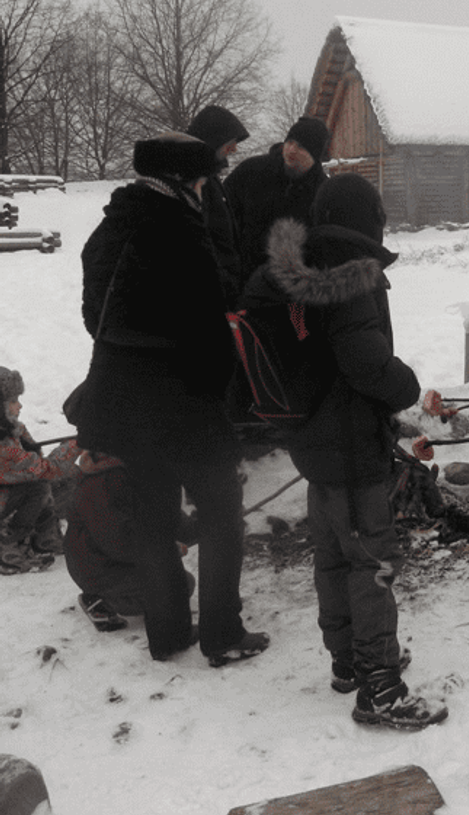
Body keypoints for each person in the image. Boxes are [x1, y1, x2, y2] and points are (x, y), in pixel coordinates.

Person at [239, 172, 446, 730]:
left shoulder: (295, 269)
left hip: (310, 438)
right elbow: (365, 362)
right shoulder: (352, 274)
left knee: (332, 554)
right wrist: (405, 386)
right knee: (372, 562)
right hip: (352, 443)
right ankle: (379, 685)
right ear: (368, 220)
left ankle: (348, 661)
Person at [70, 131, 268, 665]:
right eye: (203, 180)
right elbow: (210, 323)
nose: (207, 189)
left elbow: (96, 317)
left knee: (154, 519)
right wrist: (217, 386)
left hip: (125, 401)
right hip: (185, 403)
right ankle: (222, 634)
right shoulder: (180, 230)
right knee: (223, 515)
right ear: (184, 181)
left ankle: (167, 633)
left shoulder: (110, 227)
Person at [63, 450, 197, 632]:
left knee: (177, 580)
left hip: (113, 558)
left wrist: (205, 525)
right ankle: (101, 601)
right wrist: (165, 549)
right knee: (179, 586)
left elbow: (165, 515)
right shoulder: (103, 483)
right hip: (99, 567)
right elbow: (118, 542)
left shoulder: (131, 471)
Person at [223, 115, 329, 291]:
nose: (291, 150)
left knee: (296, 320)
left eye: (301, 146)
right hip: (242, 281)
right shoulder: (252, 171)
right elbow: (221, 215)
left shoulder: (323, 192)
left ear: (315, 154)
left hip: (290, 292)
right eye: (290, 142)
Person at [0, 366, 80, 574]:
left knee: (70, 477)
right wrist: (79, 443)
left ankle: (45, 536)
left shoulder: (12, 430)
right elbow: (45, 469)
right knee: (39, 487)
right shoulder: (4, 448)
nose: (20, 406)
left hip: (8, 494)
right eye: (13, 400)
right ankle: (8, 541)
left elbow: (37, 465)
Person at [186, 104, 250, 304]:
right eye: (230, 141)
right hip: (208, 298)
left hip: (224, 293)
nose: (234, 148)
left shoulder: (210, 179)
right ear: (213, 140)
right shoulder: (190, 183)